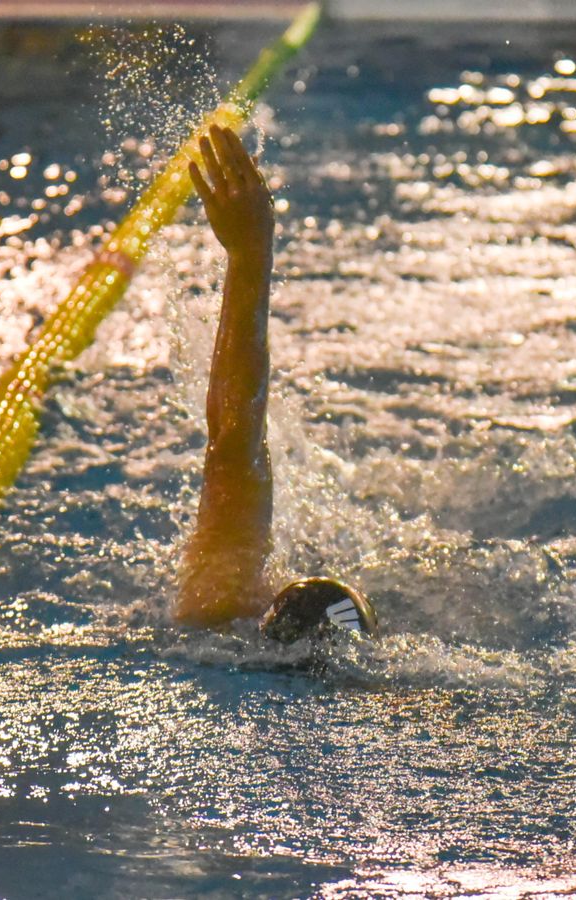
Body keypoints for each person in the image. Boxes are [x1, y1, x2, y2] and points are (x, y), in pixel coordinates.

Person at [173, 124, 377, 643]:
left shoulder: (220, 612)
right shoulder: (217, 612)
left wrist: (249, 253)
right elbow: (231, 446)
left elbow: (234, 440)